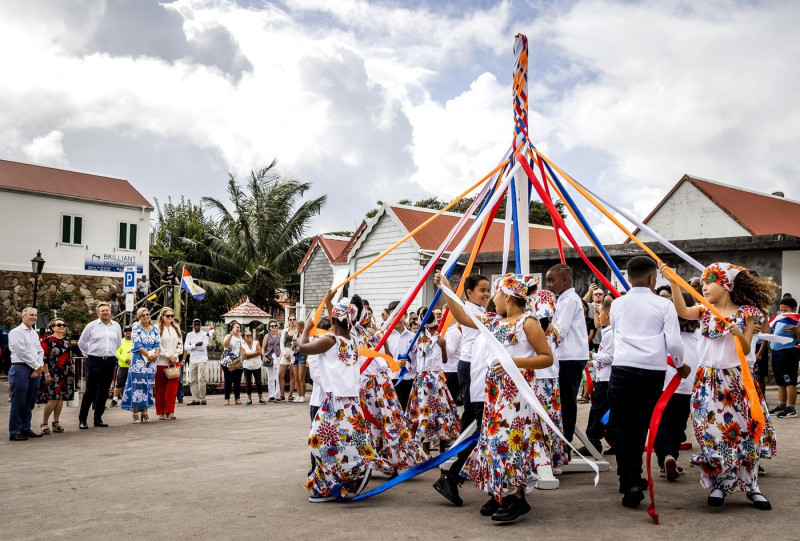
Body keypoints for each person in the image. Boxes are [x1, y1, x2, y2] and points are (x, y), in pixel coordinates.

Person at [437, 271, 554, 522]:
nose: (494, 298)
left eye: (498, 293)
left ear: (509, 297)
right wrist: (448, 289)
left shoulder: (528, 322)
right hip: (494, 394)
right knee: (492, 444)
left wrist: (514, 362)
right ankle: (500, 493)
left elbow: (546, 357)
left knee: (508, 443)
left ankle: (516, 499)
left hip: (516, 397)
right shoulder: (493, 321)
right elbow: (461, 316)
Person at [663, 261, 777, 510]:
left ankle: (752, 486)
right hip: (708, 381)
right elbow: (682, 311)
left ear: (725, 285)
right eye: (702, 283)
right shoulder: (704, 310)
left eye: (708, 282)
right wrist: (673, 281)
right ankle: (719, 484)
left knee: (747, 433)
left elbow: (747, 349)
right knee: (712, 434)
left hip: (738, 380)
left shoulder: (747, 312)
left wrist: (738, 332)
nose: (703, 287)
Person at [607, 256, 687, 508]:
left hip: (621, 369)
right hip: (651, 372)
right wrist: (680, 363)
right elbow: (674, 342)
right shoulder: (663, 305)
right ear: (653, 279)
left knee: (621, 426)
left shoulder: (617, 304)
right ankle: (633, 476)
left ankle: (628, 479)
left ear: (629, 278)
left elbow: (613, 331)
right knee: (642, 425)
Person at [299, 301, 390, 502]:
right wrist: (332, 304)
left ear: (333, 320)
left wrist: (305, 328)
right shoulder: (353, 340)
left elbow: (303, 347)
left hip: (336, 401)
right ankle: (337, 480)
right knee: (341, 441)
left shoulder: (330, 341)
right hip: (351, 401)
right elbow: (340, 324)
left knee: (319, 442)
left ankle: (354, 472)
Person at [432, 274, 491, 507]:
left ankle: (454, 471)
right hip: (472, 367)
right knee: (478, 425)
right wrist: (447, 289)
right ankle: (454, 473)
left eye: (488, 290)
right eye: (482, 290)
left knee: (472, 423)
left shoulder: (478, 309)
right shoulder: (472, 310)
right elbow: (460, 315)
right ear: (469, 293)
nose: (486, 294)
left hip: (474, 366)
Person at [654, 291, 700, 481]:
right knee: (678, 426)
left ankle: (666, 456)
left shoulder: (664, 332)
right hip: (688, 386)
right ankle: (671, 457)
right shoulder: (700, 332)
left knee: (660, 424)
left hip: (665, 385)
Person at [545, 264, 589, 448]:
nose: (548, 285)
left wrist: (542, 323)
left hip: (569, 357)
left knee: (567, 400)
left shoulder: (570, 300)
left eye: (551, 280)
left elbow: (559, 331)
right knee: (561, 399)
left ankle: (566, 442)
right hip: (563, 356)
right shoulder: (562, 299)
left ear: (565, 279)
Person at [406, 314, 459, 454]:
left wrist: (441, 347)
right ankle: (432, 449)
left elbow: (444, 360)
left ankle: (434, 449)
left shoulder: (430, 340)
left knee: (431, 412)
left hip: (428, 380)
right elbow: (444, 360)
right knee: (431, 413)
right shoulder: (425, 340)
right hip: (428, 380)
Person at [532, 289, 567, 469]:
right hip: (547, 377)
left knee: (541, 420)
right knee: (547, 420)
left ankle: (543, 461)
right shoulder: (553, 330)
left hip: (541, 377)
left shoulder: (533, 328)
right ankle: (549, 460)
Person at [77, 302, 123, 429]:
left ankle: (98, 418)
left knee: (104, 391)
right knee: (90, 391)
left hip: (109, 361)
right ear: (98, 313)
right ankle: (83, 420)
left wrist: (109, 353)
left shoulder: (116, 326)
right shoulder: (91, 326)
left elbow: (118, 343)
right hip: (94, 360)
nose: (105, 312)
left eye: (107, 310)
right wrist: (89, 355)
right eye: (102, 311)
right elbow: (82, 343)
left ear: (110, 312)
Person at [578, 296, 613, 456]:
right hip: (603, 377)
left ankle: (593, 442)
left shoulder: (611, 334)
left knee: (597, 412)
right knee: (603, 412)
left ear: (607, 314)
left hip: (607, 379)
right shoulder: (607, 333)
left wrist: (594, 357)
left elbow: (611, 357)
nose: (598, 317)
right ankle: (612, 440)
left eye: (599, 313)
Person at [8, 307, 45, 441]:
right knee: (18, 401)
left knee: (29, 402)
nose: (34, 317)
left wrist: (39, 367)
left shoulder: (33, 333)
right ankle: (15, 431)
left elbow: (40, 351)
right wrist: (37, 367)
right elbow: (22, 352)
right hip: (20, 368)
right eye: (31, 315)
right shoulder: (16, 332)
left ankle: (25, 428)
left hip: (34, 369)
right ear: (23, 316)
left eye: (35, 315)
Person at [120, 307, 160, 423]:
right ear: (139, 317)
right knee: (137, 386)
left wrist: (155, 355)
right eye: (143, 315)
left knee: (148, 386)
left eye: (147, 314)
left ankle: (145, 411)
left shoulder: (155, 329)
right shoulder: (136, 328)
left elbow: (158, 344)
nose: (146, 317)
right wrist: (147, 355)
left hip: (151, 362)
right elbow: (137, 344)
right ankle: (135, 412)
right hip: (139, 361)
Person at [38, 318, 75, 434]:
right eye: (59, 325)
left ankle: (56, 422)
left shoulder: (67, 340)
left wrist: (71, 370)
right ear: (52, 327)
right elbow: (43, 358)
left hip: (66, 373)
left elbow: (69, 357)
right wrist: (47, 373)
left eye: (64, 324)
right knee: (52, 398)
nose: (62, 326)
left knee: (60, 398)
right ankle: (44, 423)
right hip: (52, 373)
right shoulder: (47, 341)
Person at [768, 296, 800, 418]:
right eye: (780, 310)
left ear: (794, 309)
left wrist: (797, 331)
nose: (782, 313)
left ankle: (791, 408)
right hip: (776, 352)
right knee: (780, 381)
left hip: (788, 352)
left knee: (789, 381)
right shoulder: (778, 320)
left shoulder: (797, 320)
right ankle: (782, 405)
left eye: (785, 310)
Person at [153, 307, 182, 420]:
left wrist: (174, 356)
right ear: (162, 317)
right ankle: (160, 411)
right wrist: (167, 355)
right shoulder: (157, 329)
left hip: (174, 362)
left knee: (172, 388)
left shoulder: (176, 329)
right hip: (161, 361)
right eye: (168, 316)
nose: (170, 318)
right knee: (160, 388)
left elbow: (180, 344)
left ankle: (170, 410)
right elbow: (157, 345)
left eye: (172, 316)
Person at [386, 301, 415, 410]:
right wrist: (394, 363)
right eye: (393, 315)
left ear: (406, 315)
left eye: (400, 314)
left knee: (408, 411)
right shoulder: (385, 336)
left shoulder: (413, 336)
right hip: (391, 379)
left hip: (409, 380)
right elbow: (380, 358)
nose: (397, 318)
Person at [184, 318, 209, 405]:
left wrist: (192, 346)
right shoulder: (189, 335)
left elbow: (203, 347)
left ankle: (202, 398)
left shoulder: (205, 334)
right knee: (193, 380)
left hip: (202, 359)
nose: (197, 325)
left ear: (200, 325)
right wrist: (196, 344)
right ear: (193, 325)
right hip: (193, 359)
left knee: (201, 379)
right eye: (195, 324)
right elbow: (186, 347)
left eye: (198, 324)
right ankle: (196, 399)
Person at [222, 322, 244, 406]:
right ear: (232, 328)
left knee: (237, 381)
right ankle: (227, 398)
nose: (237, 329)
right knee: (228, 381)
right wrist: (231, 335)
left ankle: (237, 398)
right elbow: (225, 345)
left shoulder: (241, 338)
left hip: (238, 362)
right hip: (228, 362)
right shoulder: (228, 336)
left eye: (238, 327)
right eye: (235, 327)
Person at [110, 326, 133, 407]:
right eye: (126, 331)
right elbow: (116, 353)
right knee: (120, 383)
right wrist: (125, 360)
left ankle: (130, 400)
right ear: (123, 333)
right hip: (123, 366)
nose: (128, 332)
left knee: (133, 383)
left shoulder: (135, 341)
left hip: (134, 366)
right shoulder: (120, 342)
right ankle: (114, 400)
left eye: (129, 330)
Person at [241, 329, 265, 405]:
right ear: (244, 337)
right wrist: (255, 353)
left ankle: (260, 398)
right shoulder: (242, 346)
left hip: (257, 365)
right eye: (247, 335)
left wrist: (249, 354)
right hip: (247, 366)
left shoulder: (256, 343)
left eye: (250, 335)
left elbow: (260, 352)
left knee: (258, 382)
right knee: (248, 383)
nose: (249, 337)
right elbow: (244, 356)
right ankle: (249, 398)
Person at [279, 316, 298, 402]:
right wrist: (284, 353)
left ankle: (290, 394)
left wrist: (292, 353)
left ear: (296, 321)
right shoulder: (284, 331)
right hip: (285, 352)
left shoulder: (298, 331)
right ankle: (282, 395)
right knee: (280, 374)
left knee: (292, 374)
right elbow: (281, 343)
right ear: (288, 321)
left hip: (294, 352)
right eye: (290, 320)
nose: (292, 321)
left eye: (294, 319)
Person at [262, 320, 281, 402]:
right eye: (272, 326)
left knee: (278, 377)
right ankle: (271, 395)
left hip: (278, 357)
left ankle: (278, 395)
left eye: (275, 325)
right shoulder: (267, 336)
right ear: (269, 327)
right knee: (270, 378)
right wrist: (264, 356)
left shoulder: (280, 335)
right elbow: (263, 347)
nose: (274, 327)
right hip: (269, 357)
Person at [443, 322, 462, 405]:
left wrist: (441, 342)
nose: (440, 317)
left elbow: (450, 352)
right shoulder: (444, 331)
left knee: (450, 402)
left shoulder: (454, 331)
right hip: (443, 369)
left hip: (452, 370)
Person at [583, 284, 605, 352]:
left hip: (602, 338)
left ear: (603, 296)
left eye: (600, 294)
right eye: (596, 294)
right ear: (592, 297)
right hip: (590, 339)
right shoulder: (589, 306)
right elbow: (582, 303)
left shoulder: (606, 307)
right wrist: (589, 292)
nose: (598, 295)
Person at [292, 321, 308, 403]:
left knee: (301, 377)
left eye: (300, 328)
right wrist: (293, 344)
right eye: (297, 327)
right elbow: (292, 348)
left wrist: (299, 343)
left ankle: (303, 395)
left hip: (303, 354)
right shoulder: (295, 334)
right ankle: (298, 395)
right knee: (296, 377)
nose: (299, 329)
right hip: (295, 354)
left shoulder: (306, 335)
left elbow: (308, 346)